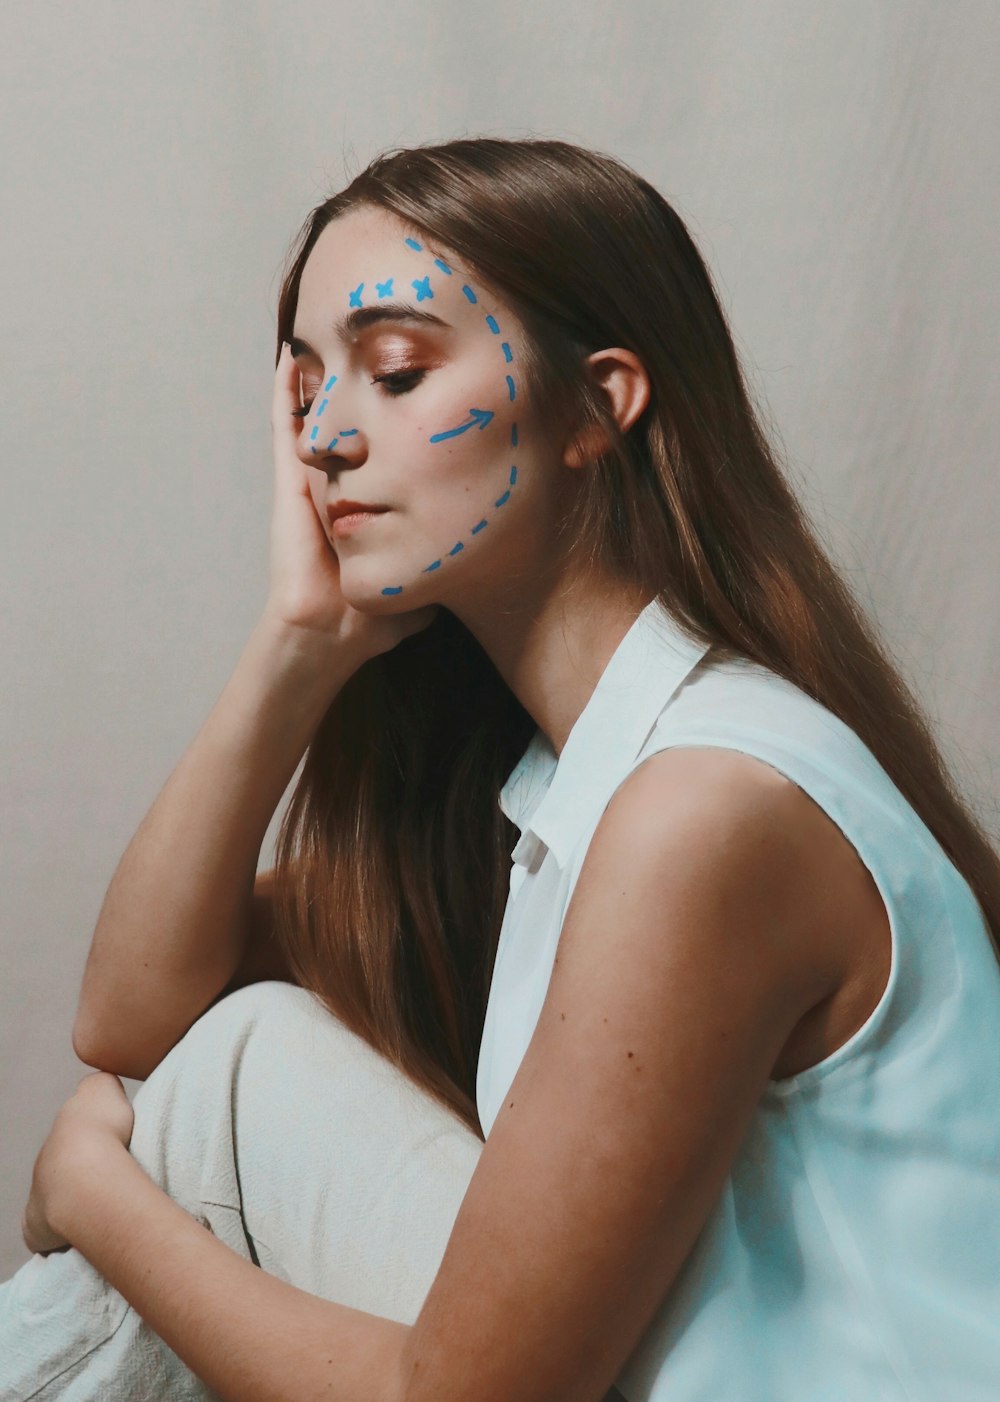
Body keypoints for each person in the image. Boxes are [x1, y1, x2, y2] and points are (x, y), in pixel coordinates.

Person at [3, 135, 999, 1401]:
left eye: (397, 370)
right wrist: (294, 648)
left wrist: (96, 1201)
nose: (323, 438)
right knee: (232, 1054)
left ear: (599, 404)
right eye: (306, 387)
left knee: (162, 1148)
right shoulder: (558, 788)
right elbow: (138, 1018)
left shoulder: (705, 808)